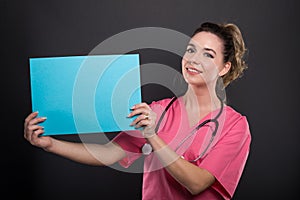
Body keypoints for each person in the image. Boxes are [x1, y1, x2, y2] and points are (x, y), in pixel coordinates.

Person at [24, 22, 251, 200]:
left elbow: (196, 184)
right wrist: (51, 144)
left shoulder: (234, 125)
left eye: (208, 54)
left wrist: (152, 135)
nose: (193, 59)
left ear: (224, 68)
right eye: (191, 50)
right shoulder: (157, 111)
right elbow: (109, 153)